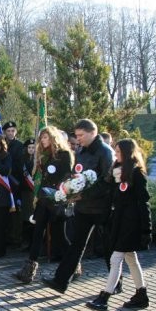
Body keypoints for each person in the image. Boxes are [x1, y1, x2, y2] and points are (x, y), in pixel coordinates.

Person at [42, 119, 115, 294]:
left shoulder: (105, 152)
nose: (78, 139)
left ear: (92, 133)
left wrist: (84, 194)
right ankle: (61, 281)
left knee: (109, 247)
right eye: (77, 135)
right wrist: (69, 189)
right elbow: (76, 174)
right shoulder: (81, 151)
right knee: (76, 244)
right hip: (83, 207)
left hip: (102, 208)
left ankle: (116, 282)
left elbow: (107, 181)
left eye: (81, 135)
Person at [86, 139, 152, 311]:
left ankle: (104, 297)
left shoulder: (136, 173)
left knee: (115, 259)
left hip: (131, 223)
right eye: (115, 152)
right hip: (118, 221)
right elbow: (112, 199)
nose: (115, 155)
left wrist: (147, 229)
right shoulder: (116, 173)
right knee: (131, 258)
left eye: (118, 152)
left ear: (127, 153)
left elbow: (143, 202)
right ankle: (141, 295)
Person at [14, 126, 73, 283]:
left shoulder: (64, 154)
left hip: (57, 198)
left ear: (53, 138)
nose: (42, 141)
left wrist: (58, 193)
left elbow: (67, 176)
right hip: (43, 198)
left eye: (45, 137)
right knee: (37, 232)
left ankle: (74, 265)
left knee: (60, 236)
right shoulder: (43, 155)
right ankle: (28, 270)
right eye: (41, 138)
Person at [3, 121, 24, 247]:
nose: (11, 133)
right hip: (3, 181)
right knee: (5, 210)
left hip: (15, 182)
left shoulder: (20, 145)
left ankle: (16, 238)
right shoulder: (1, 143)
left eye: (13, 131)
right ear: (4, 132)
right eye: (8, 131)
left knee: (16, 211)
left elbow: (20, 165)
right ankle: (6, 236)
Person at [20, 138, 37, 250]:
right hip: (26, 192)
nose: (31, 149)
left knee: (35, 218)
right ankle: (26, 241)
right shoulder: (23, 160)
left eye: (33, 148)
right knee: (26, 217)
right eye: (29, 147)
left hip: (35, 192)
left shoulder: (38, 160)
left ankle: (34, 242)